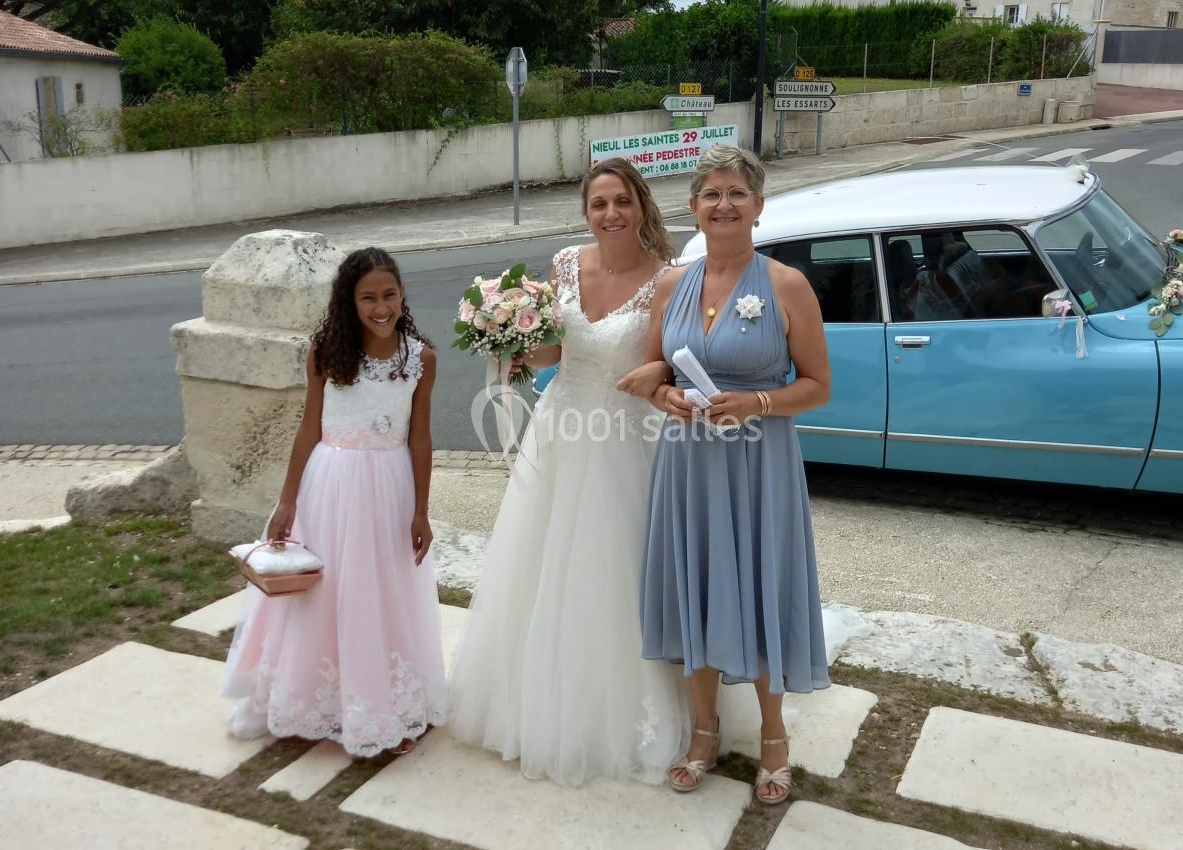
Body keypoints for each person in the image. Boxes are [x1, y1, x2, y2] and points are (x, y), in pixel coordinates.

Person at [447, 158, 690, 786]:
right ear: (586, 212)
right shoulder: (563, 265)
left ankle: (626, 706)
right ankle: (539, 699)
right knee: (542, 560)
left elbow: (663, 366)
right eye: (598, 204)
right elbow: (556, 349)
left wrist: (657, 380)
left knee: (616, 567)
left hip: (623, 435)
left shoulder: (666, 280)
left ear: (641, 206)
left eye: (621, 202)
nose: (610, 214)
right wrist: (508, 339)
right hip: (559, 428)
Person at [638, 145, 833, 805]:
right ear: (692, 208)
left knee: (760, 588)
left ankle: (774, 739)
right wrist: (664, 395)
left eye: (735, 193)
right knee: (697, 585)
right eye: (711, 194)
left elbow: (819, 386)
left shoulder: (786, 285)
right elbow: (655, 371)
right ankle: (703, 731)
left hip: (758, 463)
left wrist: (757, 401)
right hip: (689, 460)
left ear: (757, 206)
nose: (723, 205)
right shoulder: (671, 282)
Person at [222, 247, 447, 758]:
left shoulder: (421, 359)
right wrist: (287, 500)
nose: (380, 306)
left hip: (389, 487)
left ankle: (384, 706)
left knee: (381, 595)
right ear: (349, 302)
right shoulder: (326, 351)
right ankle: (315, 700)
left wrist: (420, 510)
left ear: (403, 293)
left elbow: (420, 438)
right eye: (367, 297)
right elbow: (308, 428)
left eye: (389, 294)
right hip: (330, 483)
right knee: (326, 595)